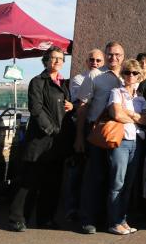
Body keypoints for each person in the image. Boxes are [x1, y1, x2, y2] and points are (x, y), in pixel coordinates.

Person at [8, 46, 72, 231]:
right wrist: (51, 129)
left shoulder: (64, 84)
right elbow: (36, 109)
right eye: (53, 58)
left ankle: (45, 219)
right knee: (29, 182)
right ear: (45, 61)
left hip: (58, 142)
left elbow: (65, 107)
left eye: (60, 58)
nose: (57, 61)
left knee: (52, 183)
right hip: (40, 139)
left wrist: (71, 106)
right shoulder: (37, 82)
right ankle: (17, 219)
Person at [76, 41, 126, 234]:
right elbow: (82, 107)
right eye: (110, 54)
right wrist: (79, 137)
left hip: (120, 133)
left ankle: (110, 218)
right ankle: (88, 219)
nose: (113, 58)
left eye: (117, 55)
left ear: (123, 56)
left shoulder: (127, 76)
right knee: (94, 177)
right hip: (97, 132)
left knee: (115, 179)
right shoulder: (95, 76)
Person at [106, 59, 146, 235]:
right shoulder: (116, 92)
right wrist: (136, 117)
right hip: (121, 141)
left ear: (139, 75)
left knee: (128, 184)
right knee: (117, 182)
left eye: (134, 73)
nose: (130, 76)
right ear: (122, 74)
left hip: (136, 142)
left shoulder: (140, 98)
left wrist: (130, 113)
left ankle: (122, 220)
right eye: (127, 72)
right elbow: (116, 114)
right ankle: (113, 221)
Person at [64, 48, 104, 221]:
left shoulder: (106, 79)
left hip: (99, 129)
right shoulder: (79, 79)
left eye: (98, 60)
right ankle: (71, 208)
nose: (94, 63)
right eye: (91, 60)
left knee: (94, 172)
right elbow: (82, 103)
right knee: (77, 169)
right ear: (86, 62)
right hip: (82, 126)